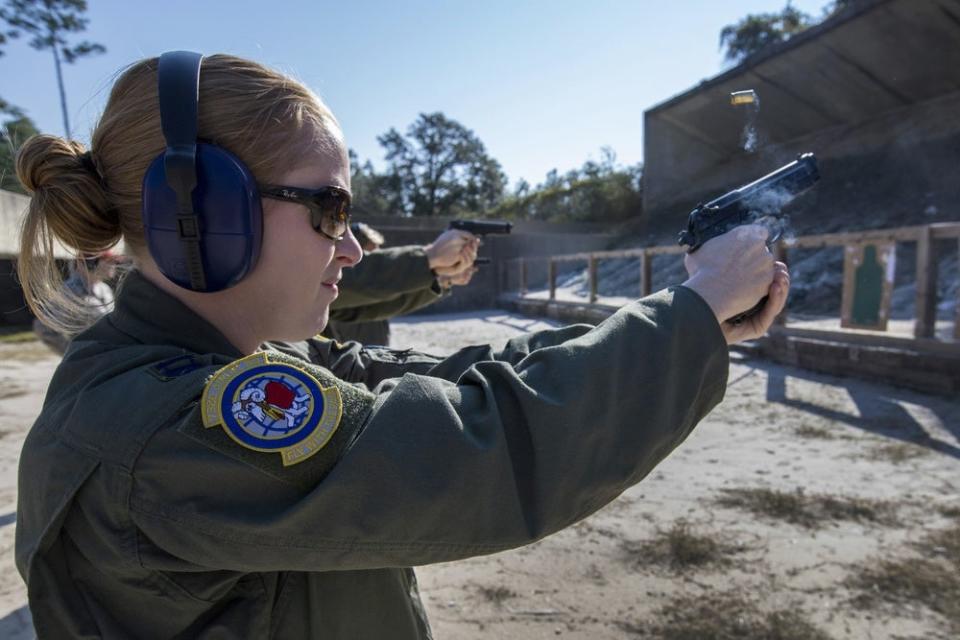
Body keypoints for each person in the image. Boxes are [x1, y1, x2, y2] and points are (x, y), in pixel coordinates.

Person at [14, 52, 789, 639]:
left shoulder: (238, 362)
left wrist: (690, 321)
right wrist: (691, 308)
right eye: (328, 209)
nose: (349, 250)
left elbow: (461, 379)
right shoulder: (168, 425)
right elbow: (482, 449)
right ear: (204, 213)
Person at [325, 222, 479, 345]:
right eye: (371, 254)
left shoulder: (372, 289)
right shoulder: (336, 289)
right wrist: (429, 257)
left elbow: (393, 303)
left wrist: (441, 279)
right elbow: (366, 278)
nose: (380, 254)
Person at [30, 252, 119, 354]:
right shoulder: (70, 292)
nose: (114, 265)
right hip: (88, 361)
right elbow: (43, 328)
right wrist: (72, 352)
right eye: (109, 261)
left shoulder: (104, 289)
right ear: (90, 263)